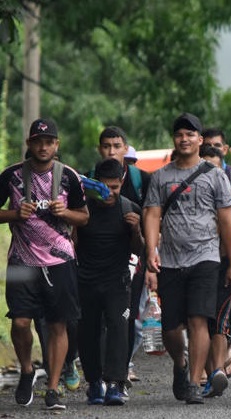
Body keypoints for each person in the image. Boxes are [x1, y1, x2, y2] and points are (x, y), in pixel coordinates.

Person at [143, 113, 231, 405]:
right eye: (179, 134)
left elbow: (226, 222)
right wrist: (151, 250)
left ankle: (195, 381)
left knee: (199, 319)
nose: (184, 139)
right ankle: (181, 364)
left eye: (190, 134)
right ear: (174, 139)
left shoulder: (215, 176)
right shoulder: (161, 176)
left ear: (200, 139)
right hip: (171, 260)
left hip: (206, 258)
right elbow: (152, 213)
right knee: (171, 327)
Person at [0, 118, 89, 410]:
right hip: (21, 260)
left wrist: (66, 213)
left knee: (58, 324)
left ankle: (52, 388)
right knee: (21, 321)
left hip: (60, 261)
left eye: (49, 141)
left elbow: (84, 217)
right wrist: (14, 215)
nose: (43, 146)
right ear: (29, 144)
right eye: (37, 141)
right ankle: (27, 370)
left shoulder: (69, 177)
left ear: (56, 145)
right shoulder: (11, 176)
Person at [76, 158, 143, 406]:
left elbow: (139, 249)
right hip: (86, 280)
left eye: (114, 187)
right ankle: (94, 383)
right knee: (88, 332)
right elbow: (72, 244)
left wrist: (135, 231)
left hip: (117, 280)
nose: (109, 192)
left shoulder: (129, 208)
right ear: (96, 184)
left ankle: (115, 383)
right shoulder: (82, 209)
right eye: (104, 187)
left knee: (118, 327)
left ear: (121, 182)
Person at [94, 126, 152, 386]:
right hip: (95, 261)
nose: (111, 151)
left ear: (125, 149)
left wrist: (151, 260)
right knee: (97, 319)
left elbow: (153, 220)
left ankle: (122, 369)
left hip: (133, 259)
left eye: (116, 146)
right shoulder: (89, 180)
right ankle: (101, 371)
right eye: (106, 146)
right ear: (100, 149)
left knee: (127, 317)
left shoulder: (142, 180)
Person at [198, 144, 231, 397]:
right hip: (194, 266)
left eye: (214, 168)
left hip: (224, 266)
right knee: (200, 321)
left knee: (220, 320)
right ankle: (204, 371)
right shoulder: (190, 197)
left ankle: (215, 372)